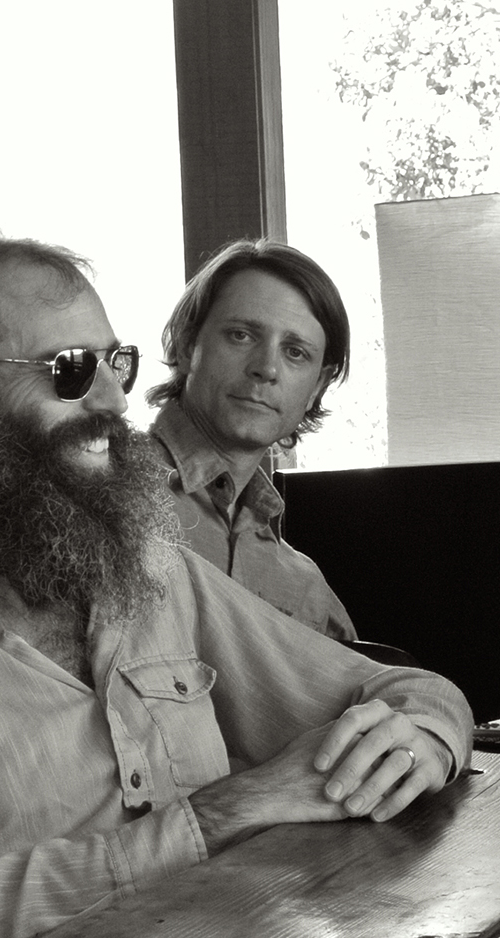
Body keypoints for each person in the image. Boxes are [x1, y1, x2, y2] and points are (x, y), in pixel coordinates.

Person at [0, 236, 473, 938]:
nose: (112, 401)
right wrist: (226, 812)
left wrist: (423, 740)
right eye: (70, 370)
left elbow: (403, 691)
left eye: (118, 364)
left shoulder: (158, 577)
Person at [147, 239, 356, 641]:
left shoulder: (305, 589)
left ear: (317, 386)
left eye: (295, 352)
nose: (266, 368)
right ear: (188, 345)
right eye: (241, 335)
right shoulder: (101, 496)